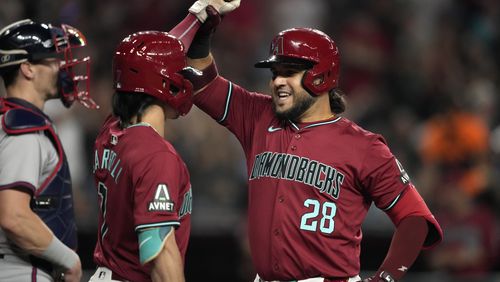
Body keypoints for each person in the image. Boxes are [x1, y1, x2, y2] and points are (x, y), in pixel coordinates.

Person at [180, 4, 444, 282]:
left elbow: (415, 219)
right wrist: (202, 33)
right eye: (275, 74)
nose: (278, 82)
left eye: (289, 73)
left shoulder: (363, 146)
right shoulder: (258, 116)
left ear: (321, 75)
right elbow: (204, 85)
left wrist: (385, 279)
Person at [89, 31, 194, 282]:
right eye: (179, 73)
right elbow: (157, 249)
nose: (183, 79)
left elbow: (137, 61)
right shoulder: (156, 155)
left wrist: (195, 18)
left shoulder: (110, 131)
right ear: (164, 82)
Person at [0, 19, 97, 282]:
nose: (61, 66)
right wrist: (69, 260)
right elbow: (14, 216)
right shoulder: (24, 131)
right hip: (20, 270)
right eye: (52, 60)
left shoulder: (10, 120)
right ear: (28, 69)